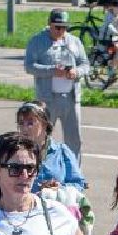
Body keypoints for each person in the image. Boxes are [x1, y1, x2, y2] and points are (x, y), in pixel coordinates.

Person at [23, 10, 88, 161]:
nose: (61, 31)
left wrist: (76, 72)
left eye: (64, 27)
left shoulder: (74, 41)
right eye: (57, 27)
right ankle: (40, 168)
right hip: (47, 99)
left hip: (71, 98)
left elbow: (85, 64)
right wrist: (52, 71)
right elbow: (29, 66)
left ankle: (74, 171)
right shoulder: (37, 41)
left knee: (74, 140)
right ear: (49, 25)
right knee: (42, 138)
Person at [16, 99, 87, 192]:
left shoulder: (62, 152)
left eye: (30, 123)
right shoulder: (14, 153)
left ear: (45, 124)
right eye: (21, 123)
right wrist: (37, 189)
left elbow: (79, 184)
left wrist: (59, 187)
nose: (24, 128)